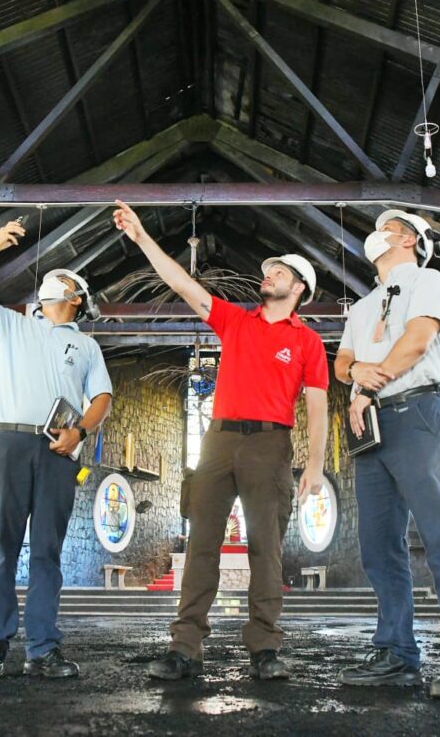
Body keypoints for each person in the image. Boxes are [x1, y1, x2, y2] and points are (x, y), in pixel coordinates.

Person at [112, 200, 329, 681]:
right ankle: (185, 648)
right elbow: (182, 284)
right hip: (216, 441)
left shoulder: (308, 342)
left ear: (298, 288)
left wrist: (314, 466)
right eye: (268, 269)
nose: (267, 274)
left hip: (270, 446)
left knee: (266, 549)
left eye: (278, 272)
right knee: (202, 543)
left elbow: (316, 407)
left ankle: (265, 650)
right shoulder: (236, 320)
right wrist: (143, 237)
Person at [334, 209, 440, 699]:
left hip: (417, 413)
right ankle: (396, 653)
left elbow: (417, 340)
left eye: (387, 228)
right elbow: (341, 363)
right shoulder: (360, 308)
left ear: (405, 239)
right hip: (371, 426)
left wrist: (369, 378)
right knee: (379, 544)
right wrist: (358, 378)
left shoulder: (430, 281)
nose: (376, 234)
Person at [0, 218, 113, 681]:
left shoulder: (86, 345)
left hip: (58, 449)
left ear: (76, 297)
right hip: (9, 441)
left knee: (47, 550)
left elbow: (102, 398)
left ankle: (42, 648)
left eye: (63, 279)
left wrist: (79, 434)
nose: (52, 280)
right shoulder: (12, 324)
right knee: (1, 546)